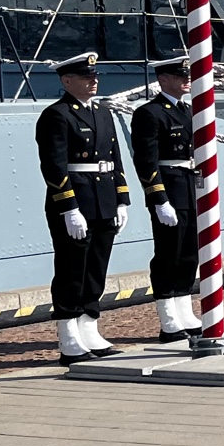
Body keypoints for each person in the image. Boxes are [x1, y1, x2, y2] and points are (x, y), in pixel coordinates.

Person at [36, 51, 130, 364]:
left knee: (96, 269)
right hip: (77, 201)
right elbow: (54, 166)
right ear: (67, 81)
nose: (94, 81)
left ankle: (89, 326)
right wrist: (69, 208)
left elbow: (115, 160)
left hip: (103, 200)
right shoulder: (58, 115)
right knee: (71, 270)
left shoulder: (102, 113)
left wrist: (122, 198)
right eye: (86, 77)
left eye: (95, 76)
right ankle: (68, 336)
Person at [129, 56, 201, 345]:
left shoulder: (188, 111)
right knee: (168, 254)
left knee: (188, 254)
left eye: (186, 73)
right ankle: (168, 317)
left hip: (189, 188)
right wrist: (158, 198)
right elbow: (146, 161)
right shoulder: (150, 113)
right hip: (169, 190)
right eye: (179, 74)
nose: (186, 79)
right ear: (163, 79)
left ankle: (184, 310)